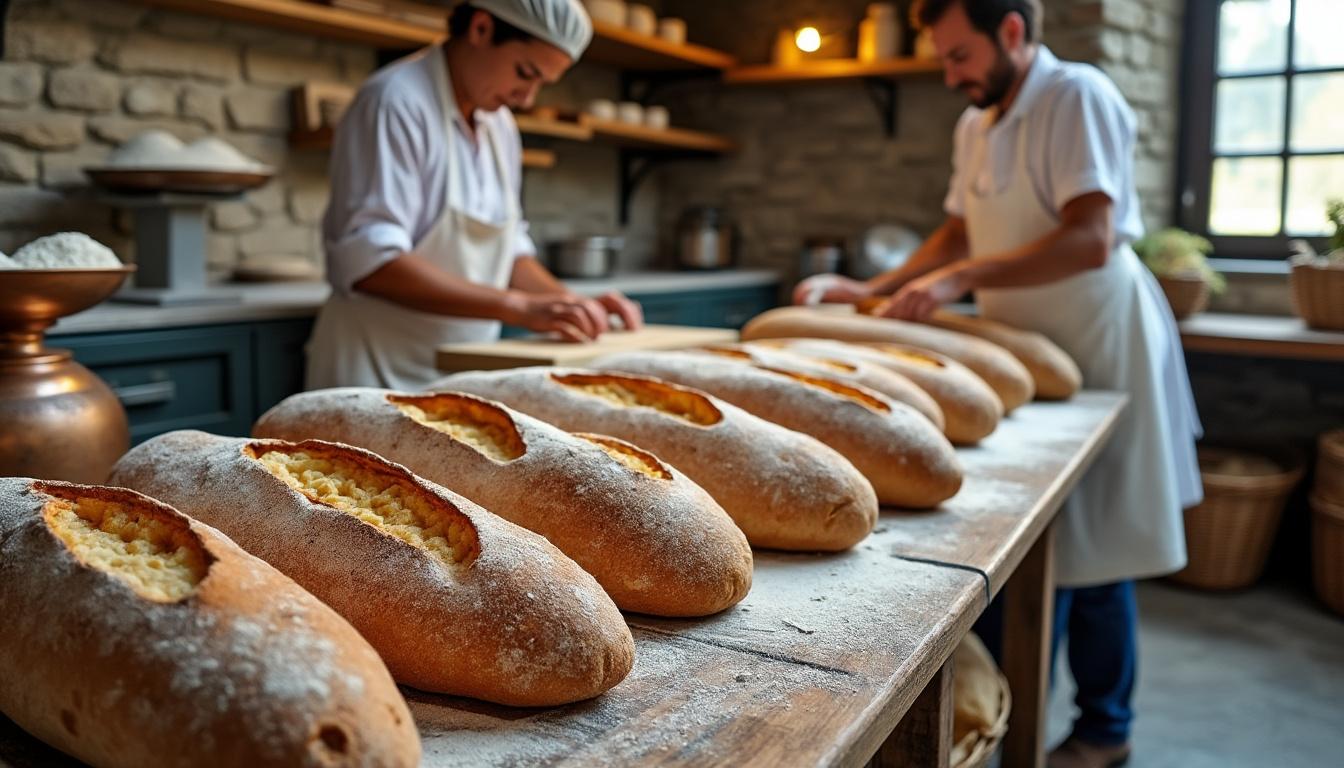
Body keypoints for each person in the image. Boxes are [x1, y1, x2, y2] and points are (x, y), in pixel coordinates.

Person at [794, 1, 1202, 766]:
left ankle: (1105, 730)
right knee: (1038, 539)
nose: (950, 76)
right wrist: (873, 287)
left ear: (1012, 31)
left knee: (1098, 547)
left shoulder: (1075, 95)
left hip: (1101, 336)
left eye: (958, 56)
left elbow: (1091, 237)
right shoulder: (977, 121)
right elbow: (958, 227)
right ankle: (1011, 721)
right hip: (1029, 348)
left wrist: (962, 279)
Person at [308, 0, 643, 390]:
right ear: (481, 28)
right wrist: (519, 307)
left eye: (541, 84)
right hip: (373, 373)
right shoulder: (394, 102)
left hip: (458, 375)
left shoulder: (499, 126)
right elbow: (370, 264)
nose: (527, 98)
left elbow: (509, 252)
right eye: (524, 73)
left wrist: (572, 305)